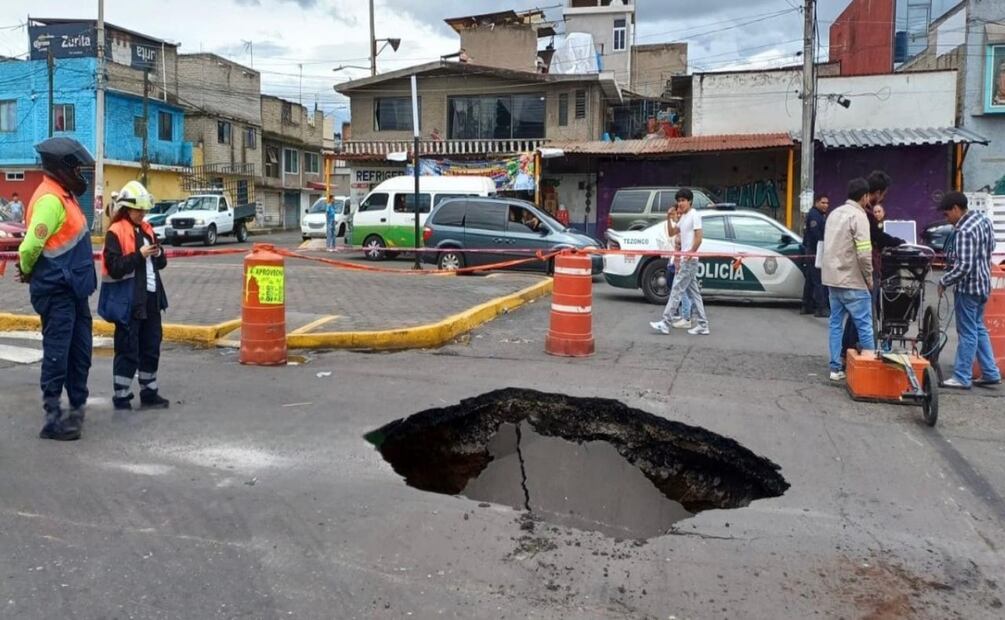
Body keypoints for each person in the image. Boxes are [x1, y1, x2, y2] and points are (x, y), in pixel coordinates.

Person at [16, 137, 97, 441]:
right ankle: (52, 417)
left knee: (80, 352)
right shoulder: (50, 199)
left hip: (74, 290)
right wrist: (26, 270)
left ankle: (76, 407)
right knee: (58, 353)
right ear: (61, 167)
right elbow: (30, 246)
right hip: (57, 291)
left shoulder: (65, 196)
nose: (80, 172)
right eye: (76, 166)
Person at [98, 181, 170, 410]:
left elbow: (161, 263)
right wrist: (139, 255)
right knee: (127, 348)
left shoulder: (147, 229)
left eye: (143, 210)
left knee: (151, 345)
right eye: (138, 210)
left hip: (151, 299)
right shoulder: (115, 232)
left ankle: (149, 392)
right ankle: (122, 395)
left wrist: (159, 254)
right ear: (126, 209)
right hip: (128, 301)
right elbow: (115, 266)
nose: (142, 214)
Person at [936, 192, 1002, 389]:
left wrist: (944, 281)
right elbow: (992, 246)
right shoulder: (983, 221)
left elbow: (964, 266)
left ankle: (962, 376)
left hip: (968, 288)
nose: (947, 220)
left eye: (947, 215)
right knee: (978, 328)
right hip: (983, 284)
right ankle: (990, 372)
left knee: (967, 332)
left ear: (956, 209)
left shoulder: (963, 230)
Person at [841, 171, 905, 357]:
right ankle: (855, 353)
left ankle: (846, 353)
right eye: (883, 194)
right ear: (876, 192)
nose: (882, 199)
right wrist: (898, 242)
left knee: (855, 315)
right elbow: (873, 239)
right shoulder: (864, 214)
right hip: (865, 269)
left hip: (856, 269)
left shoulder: (855, 213)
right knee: (863, 314)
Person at [822, 178, 875, 382]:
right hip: (852, 280)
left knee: (835, 324)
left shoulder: (834, 213)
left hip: (832, 279)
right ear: (864, 197)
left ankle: (835, 369)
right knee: (864, 326)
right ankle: (869, 370)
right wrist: (869, 277)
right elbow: (863, 253)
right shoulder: (859, 217)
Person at [650, 188, 709, 336]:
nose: (680, 203)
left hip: (689, 260)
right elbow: (671, 232)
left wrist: (691, 253)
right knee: (694, 294)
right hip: (686, 259)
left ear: (690, 201)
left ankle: (665, 322)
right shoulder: (683, 217)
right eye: (679, 200)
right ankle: (703, 325)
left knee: (676, 290)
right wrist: (668, 216)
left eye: (683, 200)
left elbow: (699, 238)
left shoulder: (695, 215)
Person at [801, 194, 830, 317]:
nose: (825, 205)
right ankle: (821, 308)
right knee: (818, 279)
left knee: (810, 280)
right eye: (823, 203)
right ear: (816, 202)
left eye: (827, 203)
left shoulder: (819, 215)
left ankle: (806, 305)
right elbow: (815, 234)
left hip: (814, 250)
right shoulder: (814, 215)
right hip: (814, 251)